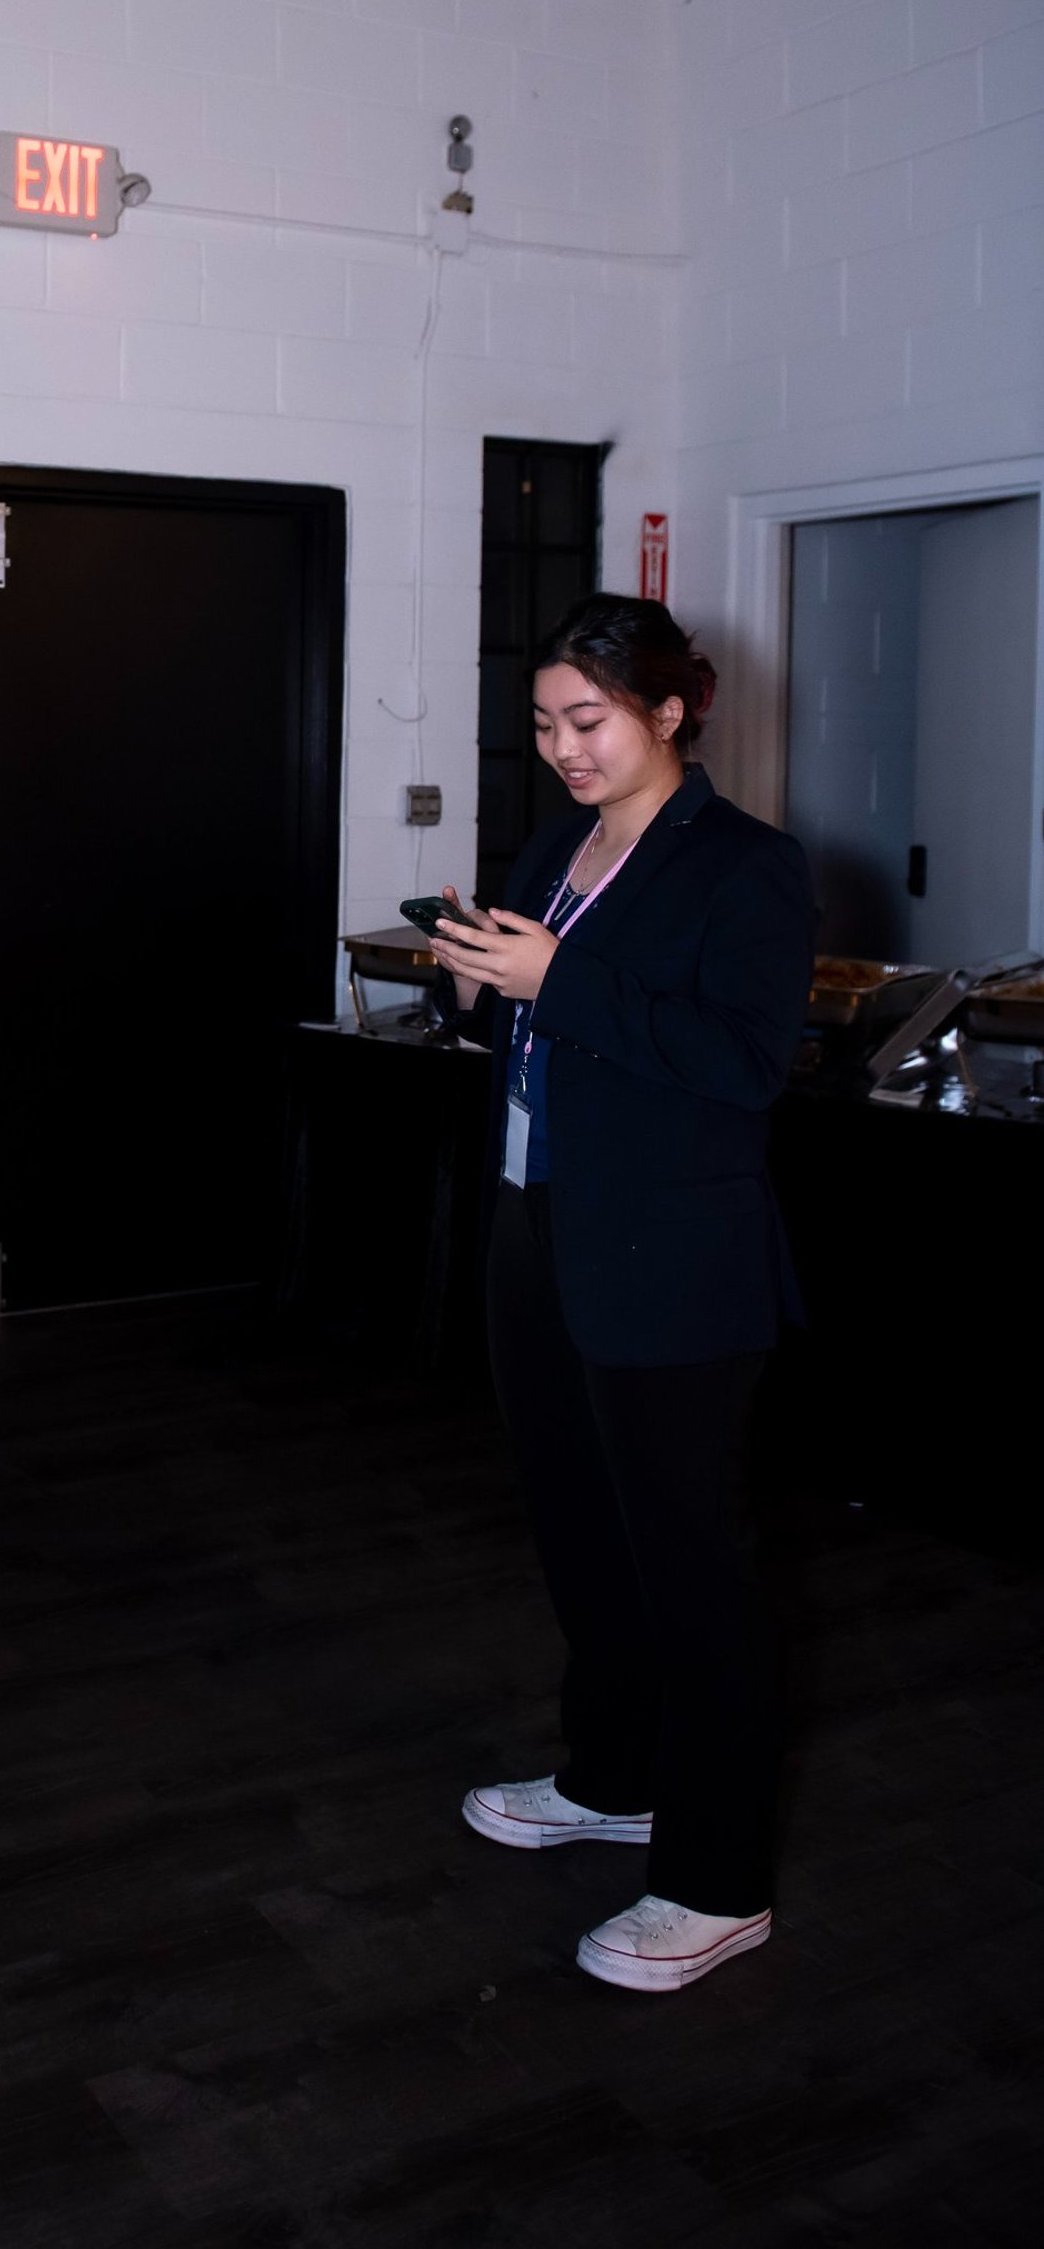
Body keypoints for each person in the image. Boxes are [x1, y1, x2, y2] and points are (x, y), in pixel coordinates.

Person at [428, 592, 814, 1993]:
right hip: (544, 1232)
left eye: (587, 721)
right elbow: (552, 1017)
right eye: (542, 725)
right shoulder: (555, 846)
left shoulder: (747, 869)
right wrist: (483, 986)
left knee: (693, 1569)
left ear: (669, 710)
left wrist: (557, 978)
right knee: (582, 1537)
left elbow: (744, 1064)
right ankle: (613, 1778)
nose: (563, 749)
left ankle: (715, 1884)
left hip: (676, 1262)